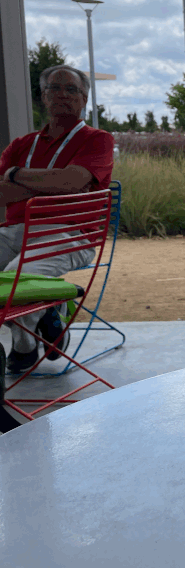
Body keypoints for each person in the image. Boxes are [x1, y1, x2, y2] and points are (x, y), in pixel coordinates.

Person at [0, 64, 114, 375]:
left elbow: (71, 182)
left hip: (69, 233)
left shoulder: (97, 140)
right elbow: (3, 195)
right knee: (14, 279)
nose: (62, 94)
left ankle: (25, 346)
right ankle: (52, 307)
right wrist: (51, 182)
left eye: (72, 89)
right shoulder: (21, 144)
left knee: (14, 279)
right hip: (15, 230)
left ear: (84, 99)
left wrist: (16, 175)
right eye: (54, 88)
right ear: (43, 96)